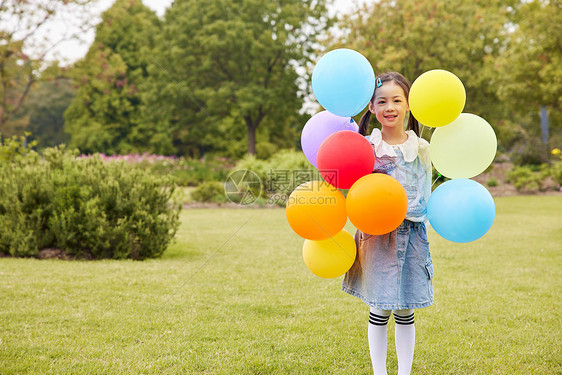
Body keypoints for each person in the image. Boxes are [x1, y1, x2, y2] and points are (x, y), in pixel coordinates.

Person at [341, 72, 434, 375]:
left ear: (409, 105)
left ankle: (404, 373)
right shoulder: (367, 147)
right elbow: (354, 189)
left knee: (406, 308)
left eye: (397, 100)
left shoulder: (420, 148)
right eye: (382, 101)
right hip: (377, 235)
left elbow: (426, 187)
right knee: (379, 308)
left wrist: (424, 221)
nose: (390, 107)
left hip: (412, 233)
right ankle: (379, 372)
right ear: (371, 106)